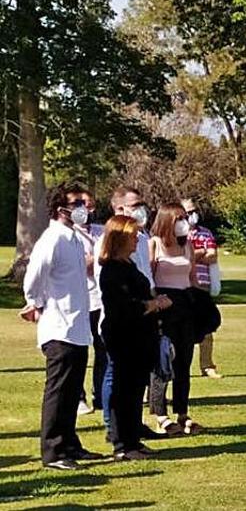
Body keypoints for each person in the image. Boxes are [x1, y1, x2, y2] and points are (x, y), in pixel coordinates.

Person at [19, 183, 108, 470]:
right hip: (59, 327)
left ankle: (70, 444)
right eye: (78, 202)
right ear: (62, 209)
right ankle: (54, 451)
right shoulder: (52, 239)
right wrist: (35, 302)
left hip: (78, 327)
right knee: (58, 390)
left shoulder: (73, 239)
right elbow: (34, 275)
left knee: (72, 391)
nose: (85, 207)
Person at [98, 215, 172, 460]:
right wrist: (153, 304)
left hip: (141, 335)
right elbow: (121, 306)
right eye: (132, 236)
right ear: (119, 238)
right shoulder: (112, 269)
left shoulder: (129, 264)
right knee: (123, 389)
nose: (136, 240)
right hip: (123, 335)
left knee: (135, 389)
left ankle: (133, 440)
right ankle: (122, 445)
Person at [148, 203, 206, 436]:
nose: (184, 222)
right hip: (164, 305)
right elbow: (149, 276)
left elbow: (192, 277)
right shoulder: (155, 244)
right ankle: (160, 414)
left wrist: (202, 302)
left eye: (185, 217)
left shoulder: (187, 246)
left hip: (185, 304)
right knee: (163, 360)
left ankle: (182, 412)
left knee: (184, 360)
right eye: (178, 218)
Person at [67, 185, 106, 416]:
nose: (86, 209)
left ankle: (101, 395)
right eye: (81, 205)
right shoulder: (68, 234)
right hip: (81, 300)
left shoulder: (101, 231)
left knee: (103, 350)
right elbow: (81, 265)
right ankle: (78, 397)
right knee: (79, 351)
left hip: (101, 299)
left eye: (90, 205)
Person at [183, 198, 222, 379]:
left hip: (203, 285)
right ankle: (182, 367)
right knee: (184, 327)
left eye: (194, 211)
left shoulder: (206, 233)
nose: (192, 215)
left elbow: (212, 256)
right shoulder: (176, 235)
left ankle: (207, 365)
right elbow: (181, 257)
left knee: (206, 327)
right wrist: (199, 253)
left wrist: (194, 255)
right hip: (183, 285)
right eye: (188, 212)